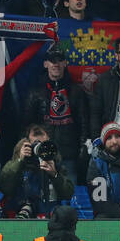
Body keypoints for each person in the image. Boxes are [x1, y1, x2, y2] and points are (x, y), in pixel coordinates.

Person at [23, 48, 86, 183]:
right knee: (43, 195)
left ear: (65, 63)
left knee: (69, 195)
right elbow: (27, 125)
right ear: (46, 64)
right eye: (52, 61)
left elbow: (83, 122)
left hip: (69, 155)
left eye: (60, 61)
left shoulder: (76, 91)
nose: (56, 64)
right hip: (42, 153)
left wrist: (82, 149)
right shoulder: (35, 92)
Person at [0, 125, 74, 219]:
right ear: (27, 143)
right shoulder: (18, 161)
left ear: (48, 140)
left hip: (49, 216)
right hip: (21, 216)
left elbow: (68, 194)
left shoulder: (55, 162)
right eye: (35, 143)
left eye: (42, 144)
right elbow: (5, 188)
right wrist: (19, 161)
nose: (39, 149)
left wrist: (54, 175)